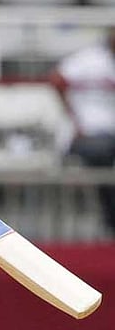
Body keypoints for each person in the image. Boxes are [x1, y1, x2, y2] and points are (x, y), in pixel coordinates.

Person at [51, 26, 115, 235]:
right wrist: (73, 120)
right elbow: (57, 79)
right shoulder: (89, 59)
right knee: (102, 153)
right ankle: (110, 219)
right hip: (86, 136)